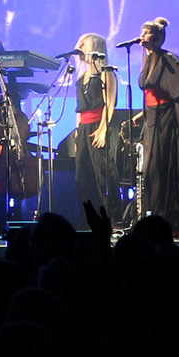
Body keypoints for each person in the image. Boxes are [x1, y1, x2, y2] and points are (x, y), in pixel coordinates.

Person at [135, 16, 179, 225]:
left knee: (159, 166)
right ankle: (151, 213)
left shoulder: (167, 58)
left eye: (147, 32)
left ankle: (163, 215)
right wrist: (143, 113)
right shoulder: (147, 60)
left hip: (165, 118)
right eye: (142, 31)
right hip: (152, 117)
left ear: (155, 37)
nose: (142, 35)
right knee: (149, 169)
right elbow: (151, 90)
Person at [70, 32, 120, 220]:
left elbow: (110, 103)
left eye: (84, 45)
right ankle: (88, 217)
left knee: (103, 173)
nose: (80, 48)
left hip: (100, 124)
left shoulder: (106, 73)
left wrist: (103, 128)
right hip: (84, 127)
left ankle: (113, 217)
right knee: (82, 176)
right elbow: (79, 109)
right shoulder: (82, 76)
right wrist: (77, 132)